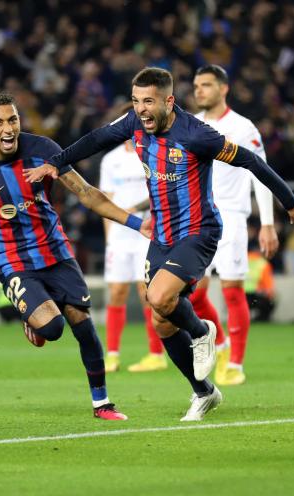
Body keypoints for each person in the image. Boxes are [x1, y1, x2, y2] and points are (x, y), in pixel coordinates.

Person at [24, 67, 294, 421]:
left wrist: (290, 201)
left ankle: (203, 331)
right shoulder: (133, 124)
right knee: (161, 321)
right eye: (136, 101)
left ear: (169, 101)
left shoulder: (197, 135)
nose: (141, 109)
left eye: (149, 102)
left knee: (158, 297)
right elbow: (97, 138)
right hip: (162, 236)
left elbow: (251, 160)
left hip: (199, 232)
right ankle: (204, 391)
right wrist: (56, 162)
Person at [0, 92, 151, 421]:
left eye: (13, 119)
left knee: (84, 324)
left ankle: (102, 404)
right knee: (52, 327)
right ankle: (31, 315)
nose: (8, 128)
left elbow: (87, 193)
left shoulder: (44, 150)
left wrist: (137, 223)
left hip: (55, 249)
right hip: (11, 260)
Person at [192, 64, 279, 386]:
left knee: (231, 290)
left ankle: (236, 363)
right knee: (192, 294)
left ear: (223, 88)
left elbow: (263, 174)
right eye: (196, 85)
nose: (199, 90)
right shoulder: (192, 124)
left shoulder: (243, 128)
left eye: (206, 85)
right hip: (197, 219)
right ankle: (221, 343)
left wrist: (267, 224)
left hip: (231, 217)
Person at [99, 102, 169, 374]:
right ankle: (112, 355)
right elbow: (106, 202)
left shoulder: (153, 152)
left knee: (146, 294)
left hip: (147, 233)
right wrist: (109, 238)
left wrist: (135, 211)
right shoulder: (111, 159)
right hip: (119, 236)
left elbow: (159, 194)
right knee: (116, 293)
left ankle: (155, 354)